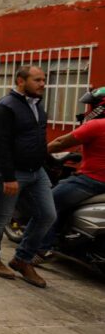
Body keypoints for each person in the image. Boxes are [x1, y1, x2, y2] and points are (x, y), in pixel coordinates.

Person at [0, 66, 55, 288]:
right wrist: (8, 176)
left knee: (47, 215)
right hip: (10, 172)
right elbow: (0, 145)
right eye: (37, 80)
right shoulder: (5, 107)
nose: (43, 84)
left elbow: (39, 139)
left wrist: (46, 166)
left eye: (44, 80)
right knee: (2, 216)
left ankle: (22, 259)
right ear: (21, 81)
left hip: (36, 171)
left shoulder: (37, 106)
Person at [41, 87, 105, 256]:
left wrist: (36, 152)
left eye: (91, 105)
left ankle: (41, 249)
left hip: (92, 180)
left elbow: (60, 143)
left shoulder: (96, 125)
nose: (88, 110)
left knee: (49, 203)